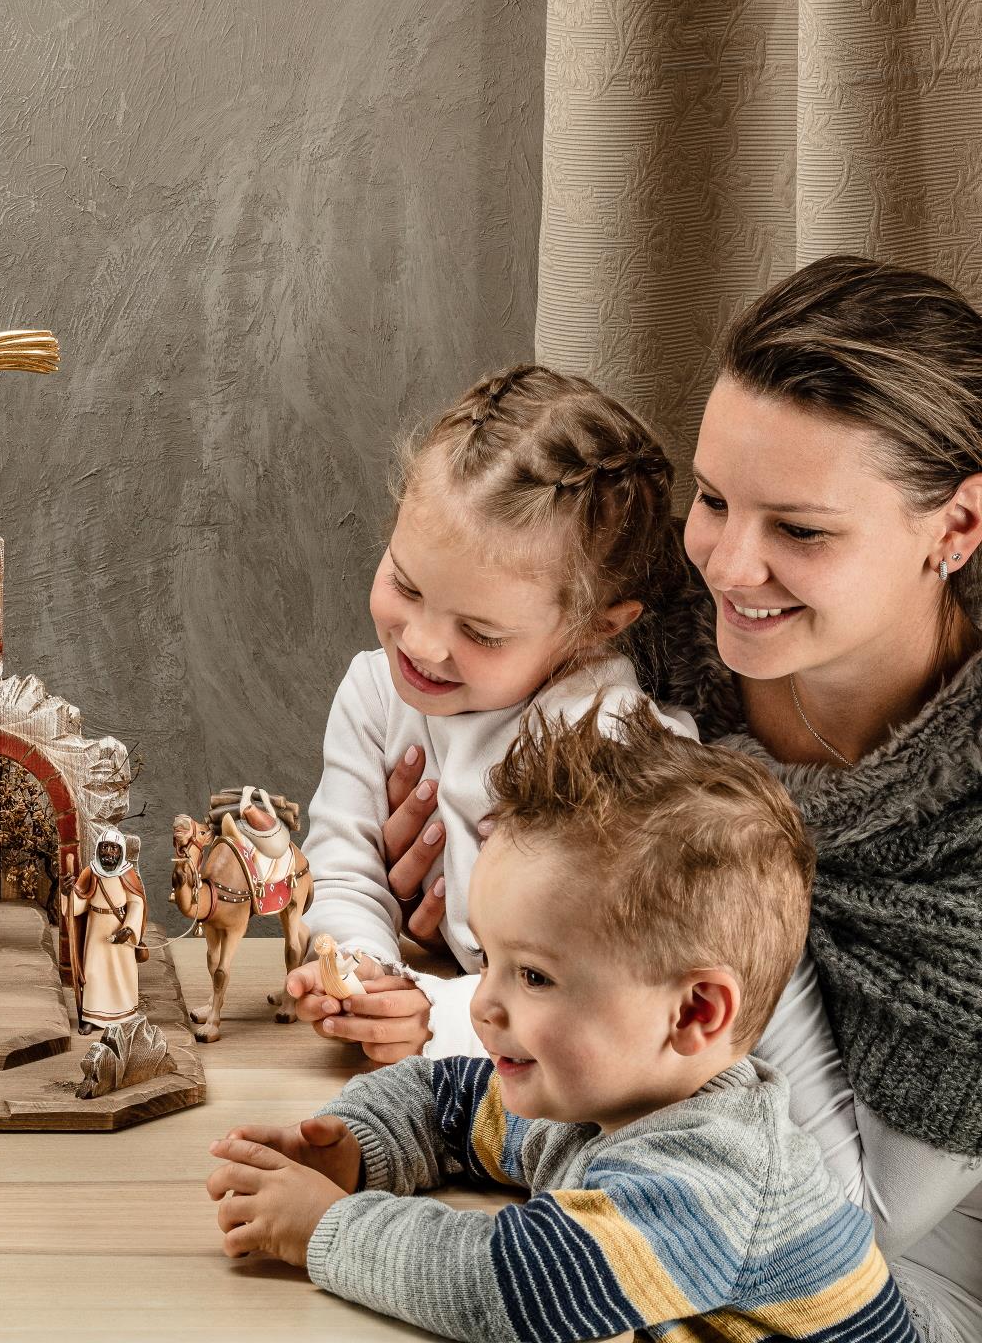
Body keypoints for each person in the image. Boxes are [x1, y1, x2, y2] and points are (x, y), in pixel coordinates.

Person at [356, 258, 982, 1337]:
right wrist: (467, 923)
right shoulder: (622, 641)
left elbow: (849, 1223)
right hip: (575, 1169)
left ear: (956, 528)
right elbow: (482, 935)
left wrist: (687, 902)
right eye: (715, 500)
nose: (728, 565)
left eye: (801, 531)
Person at [210, 709, 915, 1341]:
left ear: (694, 1012)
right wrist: (358, 1149)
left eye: (534, 977)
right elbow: (449, 1102)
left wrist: (326, 1227)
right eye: (489, 959)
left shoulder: (713, 1176)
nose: (482, 1005)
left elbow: (513, 1288)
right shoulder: (602, 1094)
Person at [287, 364, 697, 1060]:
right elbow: (341, 869)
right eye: (405, 585)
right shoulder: (375, 694)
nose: (421, 644)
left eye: (481, 633)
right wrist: (363, 969)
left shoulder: (614, 741)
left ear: (594, 630)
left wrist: (441, 1017)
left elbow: (624, 980)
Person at [64, 827, 145, 1034]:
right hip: (96, 930)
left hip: (119, 932)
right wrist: (67, 894)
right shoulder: (90, 872)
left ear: (121, 851)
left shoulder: (127, 874)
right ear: (98, 849)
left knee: (122, 973)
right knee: (93, 973)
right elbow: (77, 907)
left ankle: (125, 1014)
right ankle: (91, 1016)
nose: (108, 852)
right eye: (105, 847)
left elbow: (136, 903)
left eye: (113, 848)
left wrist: (128, 928)